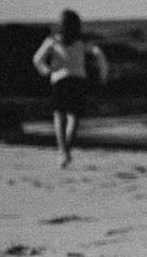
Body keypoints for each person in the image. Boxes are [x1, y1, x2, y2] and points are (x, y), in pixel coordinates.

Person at [32, 10, 109, 168]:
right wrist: (103, 73)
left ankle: (62, 151)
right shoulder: (82, 41)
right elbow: (99, 54)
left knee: (59, 117)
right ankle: (67, 148)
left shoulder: (53, 40)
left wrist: (46, 71)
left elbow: (37, 59)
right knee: (74, 117)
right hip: (78, 80)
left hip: (59, 81)